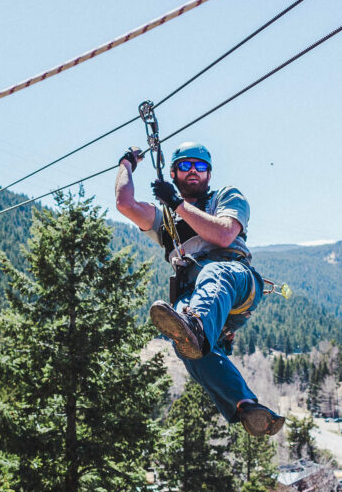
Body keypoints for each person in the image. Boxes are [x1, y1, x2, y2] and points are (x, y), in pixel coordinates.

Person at [115, 141, 283, 437]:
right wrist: (126, 164)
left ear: (209, 174)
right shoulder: (165, 220)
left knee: (212, 275)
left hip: (234, 277)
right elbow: (125, 204)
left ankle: (198, 324)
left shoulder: (225, 197)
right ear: (173, 173)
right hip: (194, 294)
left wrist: (178, 204)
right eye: (185, 166)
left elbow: (223, 234)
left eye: (200, 166)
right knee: (186, 344)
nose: (193, 171)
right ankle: (245, 405)